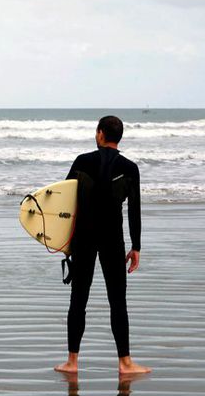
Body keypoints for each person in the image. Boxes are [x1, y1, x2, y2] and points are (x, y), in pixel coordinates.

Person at [54, 115, 151, 375]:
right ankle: (125, 363)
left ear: (100, 133)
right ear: (119, 137)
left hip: (83, 237)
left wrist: (61, 240)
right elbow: (134, 210)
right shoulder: (130, 168)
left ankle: (72, 362)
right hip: (112, 238)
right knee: (118, 300)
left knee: (79, 299)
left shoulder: (82, 161)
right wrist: (136, 246)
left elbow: (63, 201)